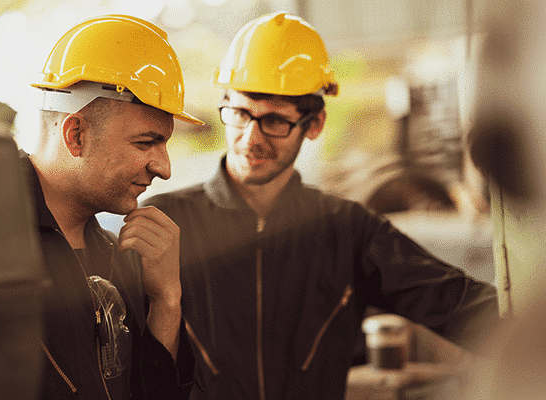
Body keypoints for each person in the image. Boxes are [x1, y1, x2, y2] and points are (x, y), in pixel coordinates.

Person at [142, 12, 501, 399]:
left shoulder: (348, 232)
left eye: (275, 121)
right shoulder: (167, 224)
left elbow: (462, 306)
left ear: (314, 125)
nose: (251, 138)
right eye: (241, 114)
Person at [25, 15, 203, 399]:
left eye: (165, 144)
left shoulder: (119, 254)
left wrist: (166, 299)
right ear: (76, 135)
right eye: (145, 143)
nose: (164, 168)